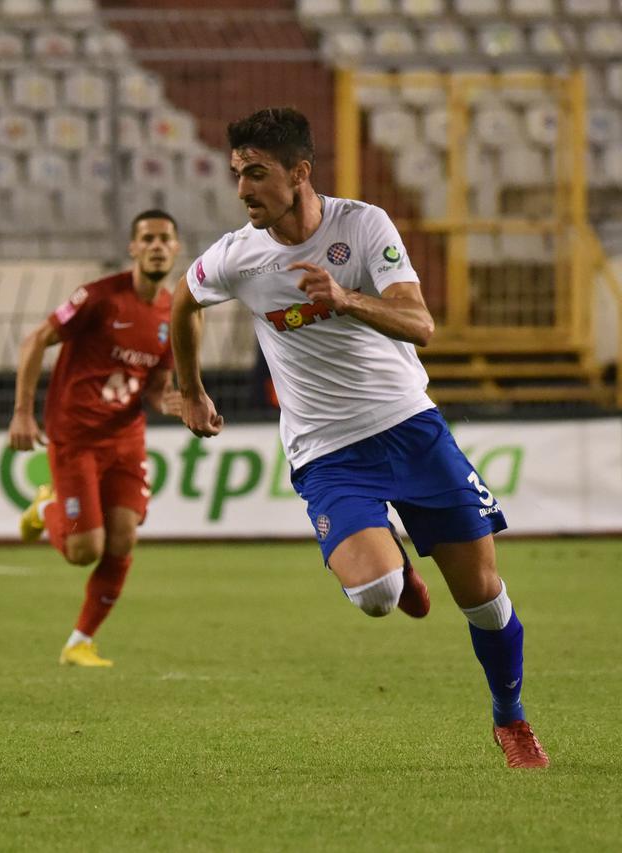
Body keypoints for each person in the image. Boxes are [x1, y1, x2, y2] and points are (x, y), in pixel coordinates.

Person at [170, 107, 548, 769]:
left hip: (411, 429)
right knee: (375, 596)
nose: (243, 191)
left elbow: (420, 322)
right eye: (237, 175)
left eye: (255, 174)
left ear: (299, 173)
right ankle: (396, 567)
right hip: (327, 451)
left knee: (485, 599)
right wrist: (192, 389)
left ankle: (509, 718)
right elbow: (182, 302)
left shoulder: (363, 226)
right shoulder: (238, 256)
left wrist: (344, 298)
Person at [8, 210, 183, 668]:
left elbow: (155, 392)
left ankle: (79, 642)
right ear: (133, 248)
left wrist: (177, 405)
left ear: (177, 248)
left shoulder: (171, 314)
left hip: (126, 439)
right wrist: (23, 413)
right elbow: (35, 341)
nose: (157, 246)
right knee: (85, 551)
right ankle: (47, 509)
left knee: (123, 539)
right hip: (76, 438)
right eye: (148, 238)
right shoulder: (99, 297)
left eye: (165, 238)